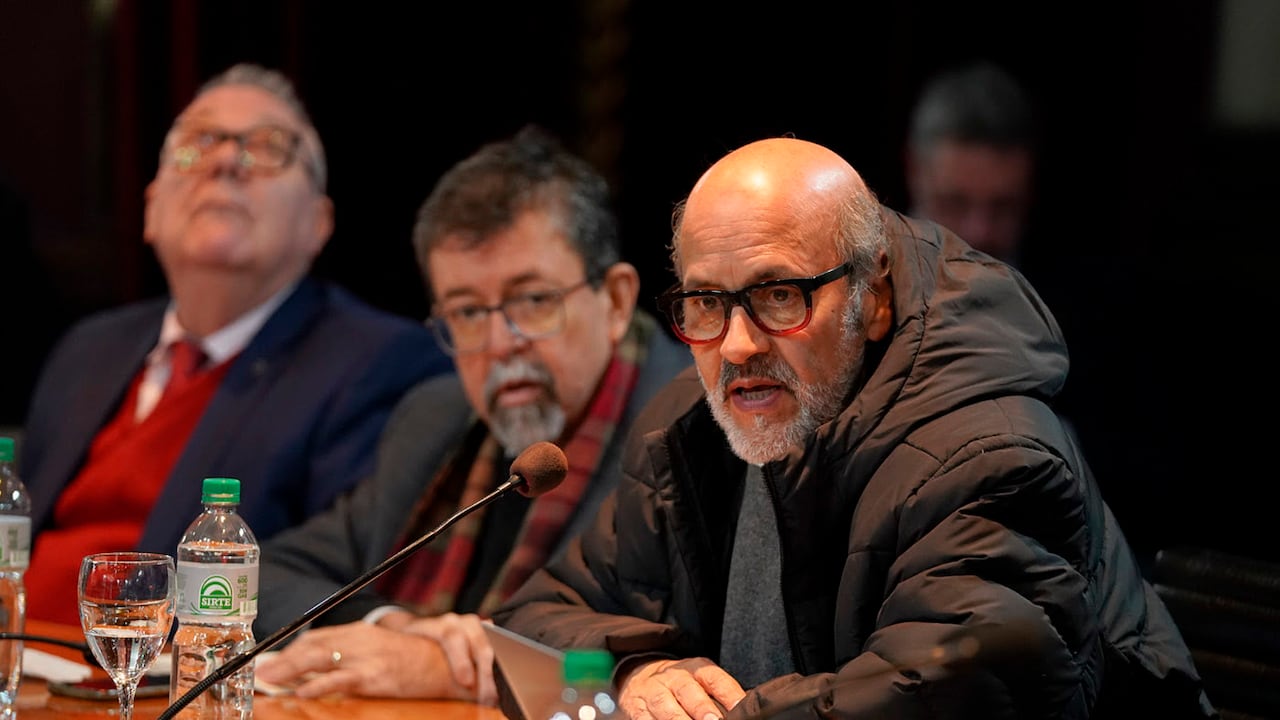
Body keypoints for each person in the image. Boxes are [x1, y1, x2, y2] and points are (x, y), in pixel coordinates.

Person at [493, 137, 1216, 719]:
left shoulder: (990, 454)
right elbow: (534, 621)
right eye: (707, 302)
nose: (738, 345)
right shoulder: (687, 429)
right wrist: (633, 670)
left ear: (873, 297)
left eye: (780, 295)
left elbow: (941, 691)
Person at [252, 125, 691, 704]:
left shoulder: (688, 429)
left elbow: (673, 654)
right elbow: (264, 575)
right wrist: (394, 626)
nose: (499, 343)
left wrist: (445, 670)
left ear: (614, 300)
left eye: (533, 301)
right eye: (465, 311)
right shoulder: (437, 419)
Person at [20, 63, 452, 625]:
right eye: (200, 141)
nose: (225, 162)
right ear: (151, 208)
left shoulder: (379, 362)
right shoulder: (89, 348)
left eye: (268, 148)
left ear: (318, 224)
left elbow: (323, 575)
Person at [904, 60, 1036, 268]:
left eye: (1002, 208)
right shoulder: (859, 284)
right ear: (914, 171)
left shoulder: (1083, 291)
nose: (978, 233)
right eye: (955, 203)